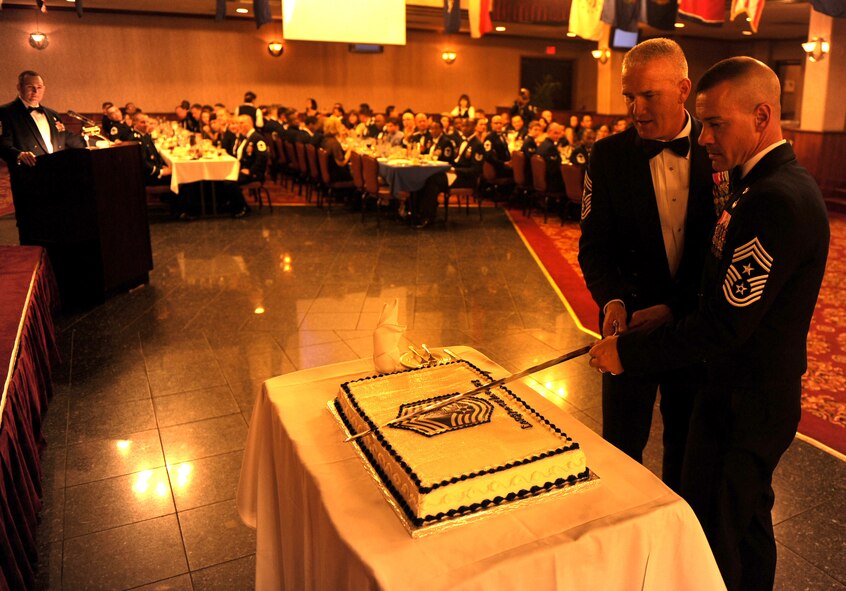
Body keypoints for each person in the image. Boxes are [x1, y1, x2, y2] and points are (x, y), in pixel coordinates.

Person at [588, 56, 829, 591]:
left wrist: (627, 354)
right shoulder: (755, 184)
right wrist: (672, 309)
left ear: (761, 116)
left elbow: (725, 326)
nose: (704, 138)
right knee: (744, 525)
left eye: (717, 124)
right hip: (739, 388)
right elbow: (721, 291)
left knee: (721, 534)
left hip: (745, 397)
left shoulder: (774, 200)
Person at [578, 37, 718, 494]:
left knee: (690, 449)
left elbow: (725, 254)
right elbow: (593, 247)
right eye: (629, 97)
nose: (635, 109)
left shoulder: (720, 151)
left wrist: (678, 309)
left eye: (648, 96)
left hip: (694, 328)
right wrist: (612, 298)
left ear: (683, 90)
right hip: (631, 328)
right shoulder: (609, 156)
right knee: (620, 451)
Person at [0, 70, 86, 243]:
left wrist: (94, 142)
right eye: (30, 87)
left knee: (58, 223)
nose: (35, 91)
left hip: (56, 177)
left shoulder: (52, 113)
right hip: (29, 179)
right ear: (19, 87)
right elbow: (2, 143)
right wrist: (19, 154)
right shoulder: (6, 112)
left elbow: (65, 137)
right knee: (32, 227)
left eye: (39, 87)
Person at [536, 122, 568, 192]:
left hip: (541, 179)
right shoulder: (550, 147)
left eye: (559, 133)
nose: (558, 136)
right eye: (555, 133)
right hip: (551, 182)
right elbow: (554, 169)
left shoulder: (543, 144)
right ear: (548, 132)